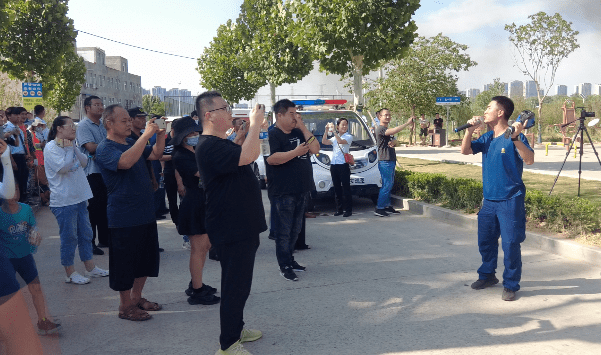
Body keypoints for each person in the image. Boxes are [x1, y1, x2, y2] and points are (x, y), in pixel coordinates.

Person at [195, 91, 266, 355]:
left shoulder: (220, 143)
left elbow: (251, 153)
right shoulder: (209, 145)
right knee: (235, 285)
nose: (230, 112)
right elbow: (247, 157)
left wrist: (249, 133)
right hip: (231, 225)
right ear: (209, 116)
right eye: (224, 108)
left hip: (242, 224)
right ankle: (228, 345)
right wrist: (256, 124)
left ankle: (236, 329)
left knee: (240, 283)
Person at [95, 104, 165, 321]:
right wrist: (145, 136)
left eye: (129, 120)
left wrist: (160, 135)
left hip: (144, 212)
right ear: (109, 123)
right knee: (124, 264)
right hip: (123, 216)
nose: (129, 124)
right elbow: (124, 162)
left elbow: (155, 154)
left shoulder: (132, 142)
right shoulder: (105, 148)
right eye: (124, 121)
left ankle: (137, 298)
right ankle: (125, 306)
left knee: (145, 261)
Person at [461, 96, 534, 301]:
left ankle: (511, 284)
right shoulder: (487, 138)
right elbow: (465, 150)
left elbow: (529, 160)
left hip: (511, 200)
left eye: (488, 107)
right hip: (489, 201)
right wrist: (469, 130)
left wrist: (516, 138)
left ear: (500, 112)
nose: (484, 111)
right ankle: (487, 275)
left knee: (510, 243)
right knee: (485, 241)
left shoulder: (514, 136)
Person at [44, 116, 109, 285]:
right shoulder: (51, 147)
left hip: (80, 197)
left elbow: (84, 162)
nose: (74, 129)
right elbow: (63, 168)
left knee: (86, 234)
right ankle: (70, 272)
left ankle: (90, 267)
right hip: (64, 201)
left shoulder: (72, 145)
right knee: (69, 238)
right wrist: (67, 150)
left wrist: (72, 147)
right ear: (59, 128)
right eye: (71, 126)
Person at [266, 99, 320, 282]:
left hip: (301, 189)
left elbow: (315, 148)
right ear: (279, 115)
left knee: (295, 230)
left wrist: (303, 127)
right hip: (283, 192)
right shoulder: (271, 134)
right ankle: (285, 266)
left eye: (296, 114)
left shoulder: (298, 131)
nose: (295, 117)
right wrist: (295, 153)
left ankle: (291, 259)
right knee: (283, 231)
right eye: (291, 114)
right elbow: (271, 159)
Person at [0, 178, 61, 335]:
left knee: (36, 289)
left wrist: (35, 234)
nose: (14, 194)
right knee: (7, 296)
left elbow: (31, 227)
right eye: (10, 191)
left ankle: (43, 321)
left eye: (17, 190)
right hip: (6, 261)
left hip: (25, 257)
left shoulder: (26, 209)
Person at [171, 117, 220, 305]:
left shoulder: (192, 151)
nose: (194, 136)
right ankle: (197, 291)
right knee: (198, 249)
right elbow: (204, 173)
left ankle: (196, 282)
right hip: (194, 203)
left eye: (195, 133)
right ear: (182, 136)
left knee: (205, 247)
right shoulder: (180, 155)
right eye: (190, 134)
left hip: (203, 201)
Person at [76, 96, 108, 256]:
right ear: (87, 107)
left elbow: (104, 146)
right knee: (93, 210)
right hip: (91, 172)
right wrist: (107, 146)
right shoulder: (83, 126)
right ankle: (90, 242)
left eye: (102, 104)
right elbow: (91, 147)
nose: (101, 107)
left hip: (103, 171)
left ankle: (104, 238)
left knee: (104, 206)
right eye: (97, 104)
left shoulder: (102, 125)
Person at [374, 109, 413, 217]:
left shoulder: (386, 129)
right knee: (386, 185)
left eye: (389, 115)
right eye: (385, 115)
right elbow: (394, 131)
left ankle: (387, 206)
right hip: (385, 161)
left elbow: (395, 141)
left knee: (389, 184)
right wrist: (407, 123)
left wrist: (396, 142)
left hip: (390, 159)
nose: (387, 117)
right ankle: (379, 208)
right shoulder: (381, 129)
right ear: (379, 117)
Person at [322, 117, 354, 217]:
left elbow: (340, 141)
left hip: (343, 165)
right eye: (342, 124)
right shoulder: (334, 137)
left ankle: (348, 210)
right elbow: (324, 142)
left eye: (346, 124)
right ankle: (339, 209)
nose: (344, 126)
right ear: (338, 126)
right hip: (334, 165)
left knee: (346, 188)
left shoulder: (348, 136)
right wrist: (326, 131)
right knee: (337, 188)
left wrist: (334, 132)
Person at [3, 107, 32, 202]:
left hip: (21, 156)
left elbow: (21, 143)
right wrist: (12, 161)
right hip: (13, 157)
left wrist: (26, 154)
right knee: (16, 180)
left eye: (19, 114)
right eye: (15, 115)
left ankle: (23, 200)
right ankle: (18, 202)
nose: (18, 117)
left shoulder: (18, 128)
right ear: (9, 116)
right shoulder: (6, 128)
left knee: (24, 178)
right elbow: (8, 146)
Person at [29, 119, 50, 205]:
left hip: (42, 158)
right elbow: (32, 146)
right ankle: (44, 199)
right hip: (36, 158)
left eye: (41, 126)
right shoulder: (30, 134)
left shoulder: (40, 134)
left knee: (43, 180)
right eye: (38, 126)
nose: (40, 127)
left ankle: (45, 199)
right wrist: (40, 145)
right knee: (40, 180)